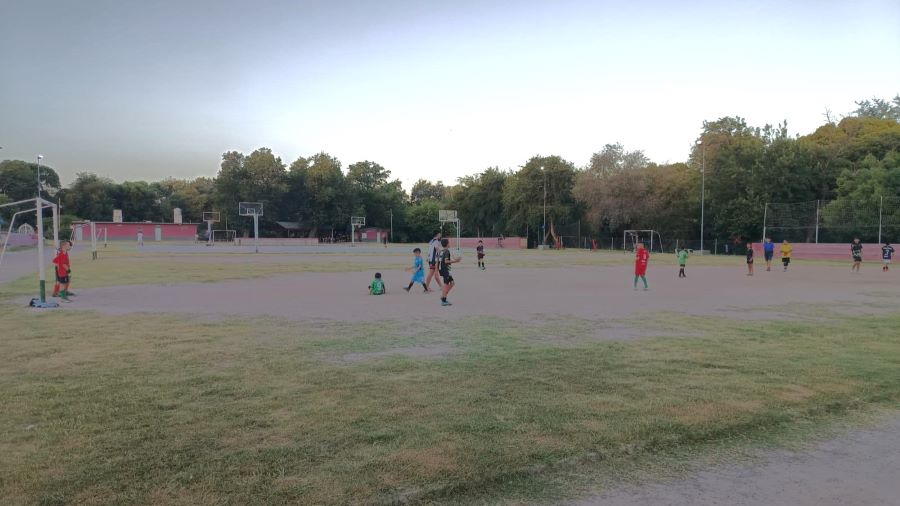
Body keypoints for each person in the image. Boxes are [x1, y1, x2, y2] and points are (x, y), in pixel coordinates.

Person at [439, 238, 461, 306]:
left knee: (452, 283)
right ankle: (444, 300)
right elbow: (446, 261)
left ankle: (443, 295)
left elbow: (441, 260)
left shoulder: (443, 251)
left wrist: (455, 259)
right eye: (449, 242)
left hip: (444, 270)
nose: (449, 243)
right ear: (447, 244)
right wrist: (455, 261)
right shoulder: (446, 251)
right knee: (446, 284)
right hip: (445, 270)